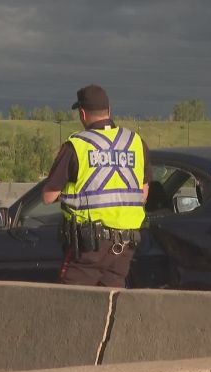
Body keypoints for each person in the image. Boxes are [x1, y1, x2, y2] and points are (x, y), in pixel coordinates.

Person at [42, 84, 151, 287]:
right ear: (108, 111)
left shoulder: (77, 145)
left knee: (69, 303)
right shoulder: (135, 142)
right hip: (125, 245)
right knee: (110, 302)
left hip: (89, 246)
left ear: (82, 113)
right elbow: (143, 193)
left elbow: (48, 197)